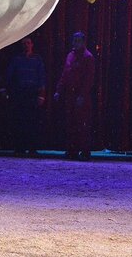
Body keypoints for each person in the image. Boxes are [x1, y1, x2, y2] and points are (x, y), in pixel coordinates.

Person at [54, 31, 95, 160]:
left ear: (83, 42)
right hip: (70, 95)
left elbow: (89, 79)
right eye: (74, 40)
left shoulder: (88, 57)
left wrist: (82, 95)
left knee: (82, 124)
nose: (75, 43)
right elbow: (64, 74)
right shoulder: (70, 56)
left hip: (81, 96)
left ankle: (85, 150)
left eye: (78, 41)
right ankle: (72, 150)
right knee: (70, 123)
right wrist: (58, 90)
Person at [6, 35, 47, 155]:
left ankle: (32, 148)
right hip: (20, 94)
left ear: (32, 45)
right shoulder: (17, 59)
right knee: (20, 122)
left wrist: (42, 95)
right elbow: (10, 76)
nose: (26, 45)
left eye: (28, 43)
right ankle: (20, 148)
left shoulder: (37, 59)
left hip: (33, 94)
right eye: (24, 43)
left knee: (32, 122)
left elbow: (42, 77)